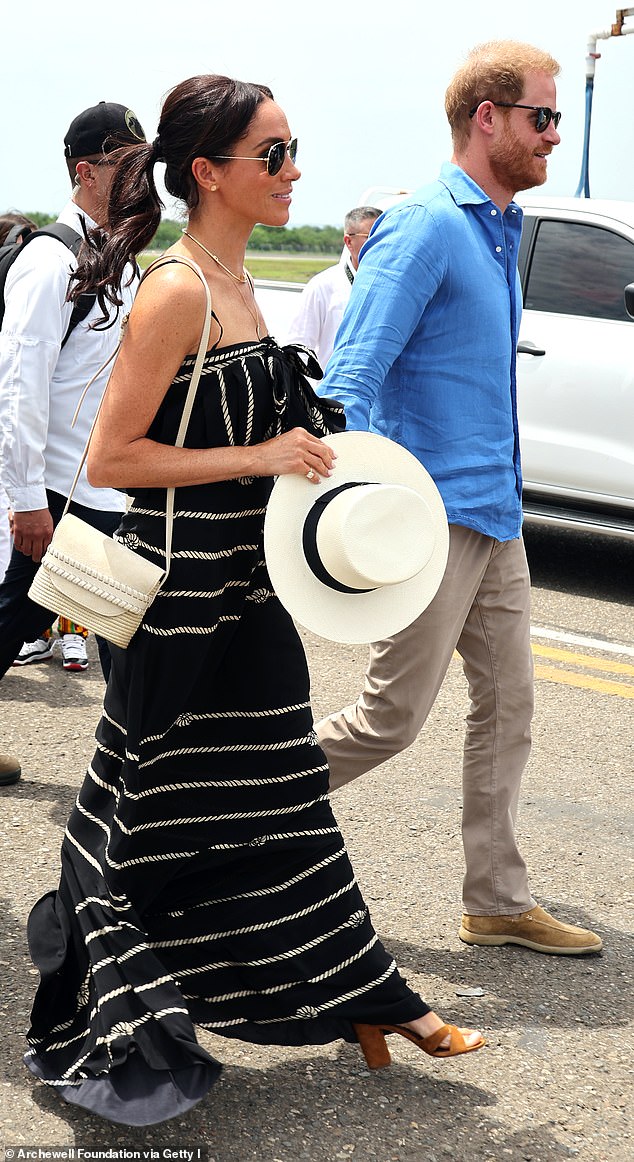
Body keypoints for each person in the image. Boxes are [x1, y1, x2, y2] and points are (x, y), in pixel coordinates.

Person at [24, 73, 484, 1128]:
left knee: (287, 807)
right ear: (208, 173)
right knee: (137, 818)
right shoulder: (178, 287)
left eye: (290, 150)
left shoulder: (238, 279)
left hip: (248, 594)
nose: (293, 171)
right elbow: (116, 455)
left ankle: (376, 1000)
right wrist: (262, 447)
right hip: (177, 609)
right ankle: (121, 1010)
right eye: (271, 155)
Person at [315, 40, 603, 957]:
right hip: (430, 517)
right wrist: (342, 512)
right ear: (489, 118)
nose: (554, 133)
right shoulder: (427, 224)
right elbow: (354, 373)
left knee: (510, 706)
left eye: (555, 117)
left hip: (498, 512)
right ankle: (221, 813)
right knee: (389, 722)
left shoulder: (501, 225)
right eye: (542, 117)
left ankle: (496, 898)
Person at [0, 101, 147, 784]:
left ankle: (128, 780)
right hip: (51, 497)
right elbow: (21, 388)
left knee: (123, 640)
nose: (139, 177)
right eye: (125, 165)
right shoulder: (49, 261)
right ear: (86, 171)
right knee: (9, 625)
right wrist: (27, 498)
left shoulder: (127, 264)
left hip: (104, 490)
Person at [286, 205, 381, 370]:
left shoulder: (397, 286)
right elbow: (298, 349)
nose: (380, 243)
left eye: (384, 236)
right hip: (334, 391)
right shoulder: (323, 286)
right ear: (348, 241)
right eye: (370, 236)